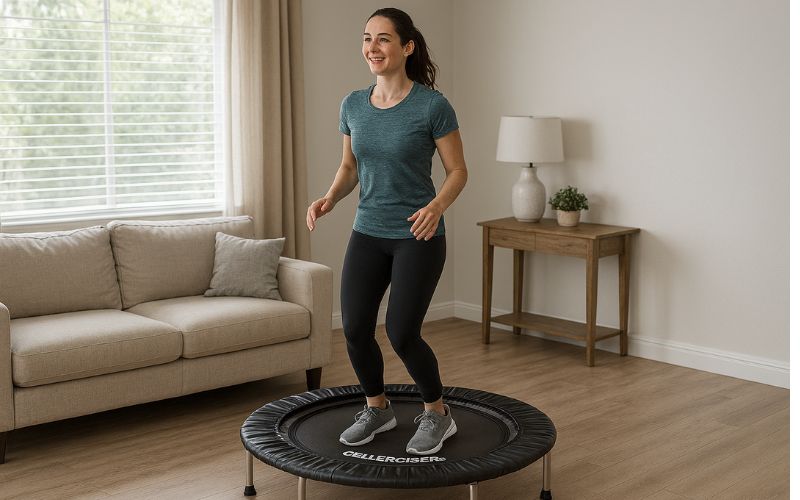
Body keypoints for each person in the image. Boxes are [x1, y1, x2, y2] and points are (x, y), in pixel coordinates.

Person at [306, 7, 468, 456]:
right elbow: (349, 166)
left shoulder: (432, 105)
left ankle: (438, 414)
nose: (371, 48)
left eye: (382, 39)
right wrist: (330, 198)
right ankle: (378, 408)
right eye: (366, 39)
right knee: (356, 328)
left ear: (406, 47)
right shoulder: (353, 104)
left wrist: (436, 207)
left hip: (417, 235)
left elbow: (457, 171)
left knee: (401, 332)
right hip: (368, 231)